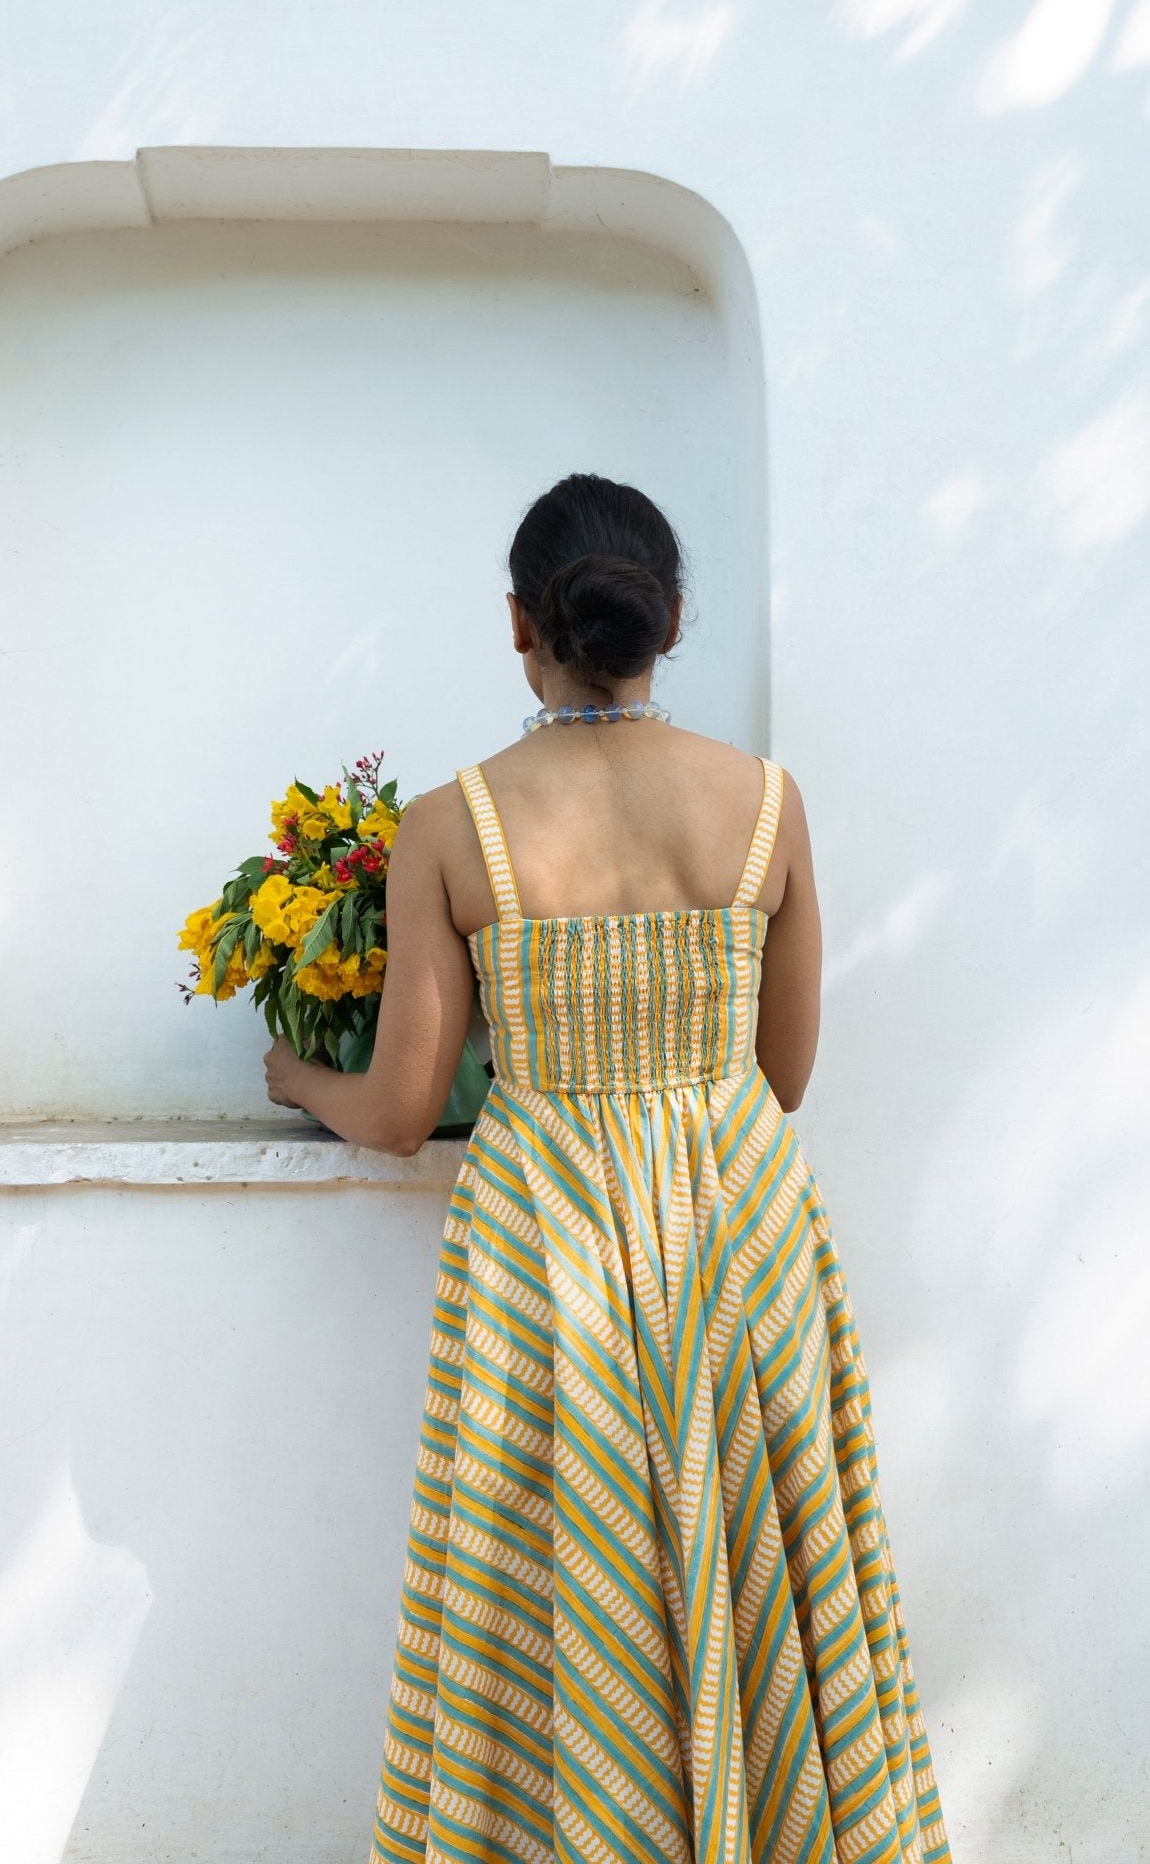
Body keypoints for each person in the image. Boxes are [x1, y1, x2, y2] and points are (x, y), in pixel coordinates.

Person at [263, 473, 952, 1864]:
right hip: (737, 1233)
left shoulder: (455, 827)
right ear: (672, 618)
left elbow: (402, 1109)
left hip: (547, 1254)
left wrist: (294, 1075)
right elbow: (784, 1076)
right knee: (757, 1586)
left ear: (516, 621)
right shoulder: (764, 804)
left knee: (564, 1605)